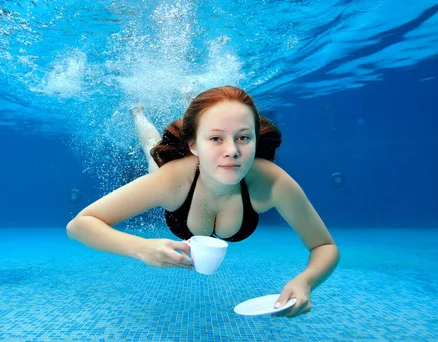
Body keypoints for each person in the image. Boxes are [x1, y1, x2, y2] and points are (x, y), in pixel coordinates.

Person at [66, 86, 340, 318]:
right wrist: (141, 248)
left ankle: (198, 112)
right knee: (152, 151)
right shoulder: (170, 180)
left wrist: (305, 281)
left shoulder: (273, 183)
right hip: (184, 176)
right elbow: (79, 225)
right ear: (193, 146)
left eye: (244, 137)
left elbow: (324, 246)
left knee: (208, 130)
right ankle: (138, 114)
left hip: (198, 159)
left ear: (256, 140)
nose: (232, 152)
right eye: (216, 138)